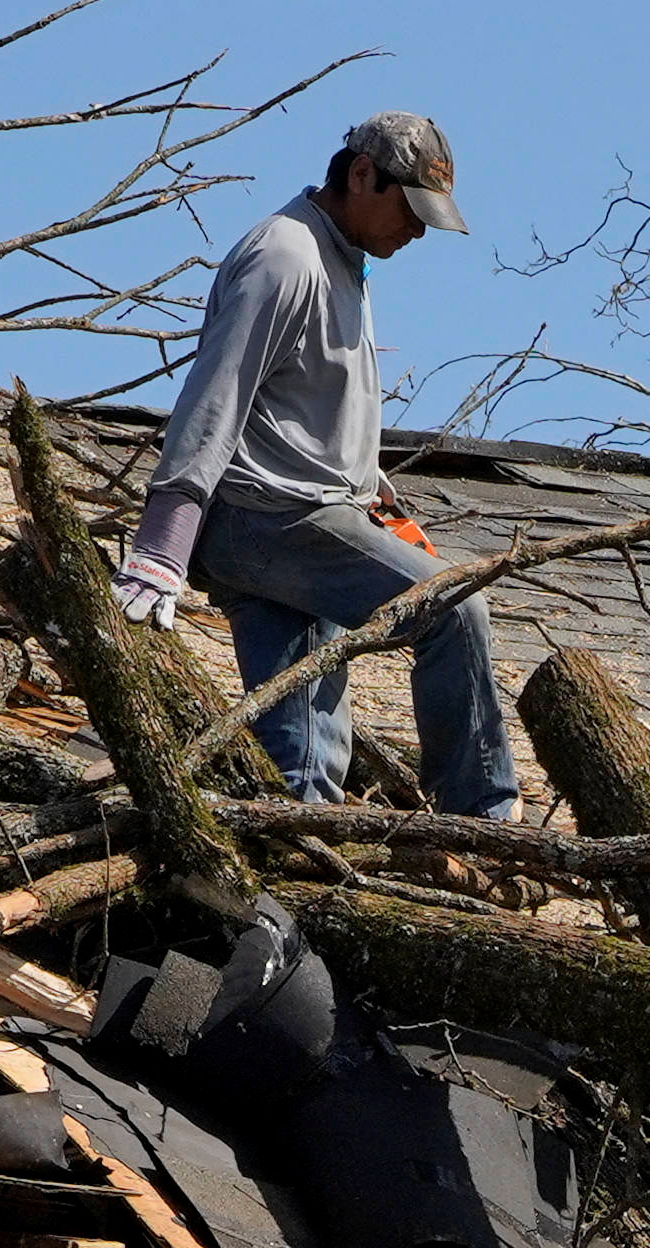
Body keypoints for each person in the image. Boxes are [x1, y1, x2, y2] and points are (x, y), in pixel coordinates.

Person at [114, 110, 514, 818]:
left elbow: (308, 402)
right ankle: (484, 816)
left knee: (301, 765)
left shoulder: (342, 258)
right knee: (454, 609)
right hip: (270, 516)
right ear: (362, 175)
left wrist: (378, 502)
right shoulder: (285, 255)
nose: (418, 230)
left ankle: (292, 877)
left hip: (303, 515)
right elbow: (216, 396)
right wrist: (162, 541)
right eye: (411, 209)